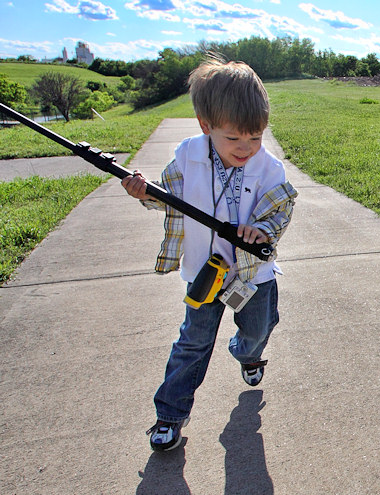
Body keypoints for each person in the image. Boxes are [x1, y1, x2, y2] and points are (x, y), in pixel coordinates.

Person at [121, 55, 297, 452]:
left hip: (253, 277)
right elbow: (167, 198)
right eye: (234, 138)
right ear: (206, 126)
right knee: (192, 345)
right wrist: (144, 192)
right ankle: (169, 416)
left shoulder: (269, 168)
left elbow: (280, 210)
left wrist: (262, 230)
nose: (246, 148)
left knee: (258, 331)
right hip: (204, 273)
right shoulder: (188, 156)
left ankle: (245, 353)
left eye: (255, 138)